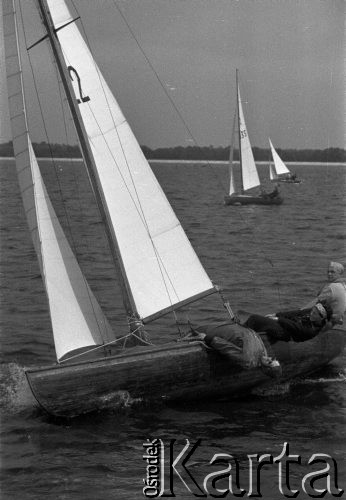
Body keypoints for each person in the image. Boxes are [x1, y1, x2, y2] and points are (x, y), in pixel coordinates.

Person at [190, 321, 282, 379]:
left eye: (270, 362)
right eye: (273, 359)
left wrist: (207, 338)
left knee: (195, 330)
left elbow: (226, 347)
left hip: (218, 331)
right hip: (232, 325)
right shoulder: (263, 353)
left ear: (265, 369)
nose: (269, 358)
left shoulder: (247, 359)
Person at [243, 301, 333, 343]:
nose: (311, 313)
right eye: (313, 310)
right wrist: (277, 314)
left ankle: (243, 338)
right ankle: (243, 334)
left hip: (287, 334)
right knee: (260, 321)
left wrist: (278, 319)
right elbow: (296, 313)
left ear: (321, 318)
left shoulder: (312, 331)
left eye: (315, 313)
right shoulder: (313, 311)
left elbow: (295, 327)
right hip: (283, 326)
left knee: (254, 319)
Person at [303, 261, 346, 326]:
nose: (329, 274)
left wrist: (301, 311)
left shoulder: (332, 287)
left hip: (331, 321)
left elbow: (316, 302)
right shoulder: (343, 285)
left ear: (340, 274)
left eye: (332, 272)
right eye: (328, 272)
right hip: (340, 320)